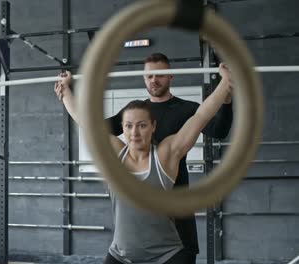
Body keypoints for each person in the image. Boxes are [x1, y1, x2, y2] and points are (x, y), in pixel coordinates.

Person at [56, 53, 233, 263]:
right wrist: (67, 91)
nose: (134, 132)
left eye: (142, 125)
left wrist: (226, 89)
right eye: (129, 126)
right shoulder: (132, 117)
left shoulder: (175, 134)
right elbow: (92, 125)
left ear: (153, 127)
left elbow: (208, 120)